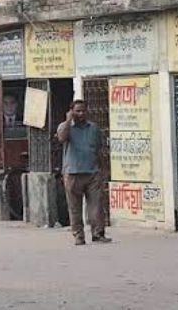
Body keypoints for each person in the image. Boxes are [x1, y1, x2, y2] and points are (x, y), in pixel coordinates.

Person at [57, 100, 112, 246]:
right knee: (75, 208)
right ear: (72, 111)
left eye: (83, 111)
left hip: (92, 172)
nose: (81, 114)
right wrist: (69, 120)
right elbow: (61, 138)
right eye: (77, 111)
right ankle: (79, 236)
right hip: (72, 173)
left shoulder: (93, 128)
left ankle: (98, 233)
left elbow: (99, 150)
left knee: (96, 206)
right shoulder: (65, 127)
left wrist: (103, 170)